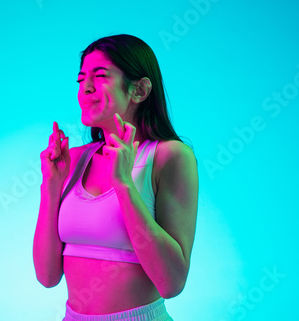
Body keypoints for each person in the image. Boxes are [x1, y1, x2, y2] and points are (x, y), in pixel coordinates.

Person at [33, 34, 198, 321]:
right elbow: (47, 276)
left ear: (140, 90)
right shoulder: (72, 159)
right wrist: (50, 187)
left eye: (100, 75)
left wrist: (124, 184)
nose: (86, 88)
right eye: (81, 79)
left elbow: (172, 283)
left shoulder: (169, 156)